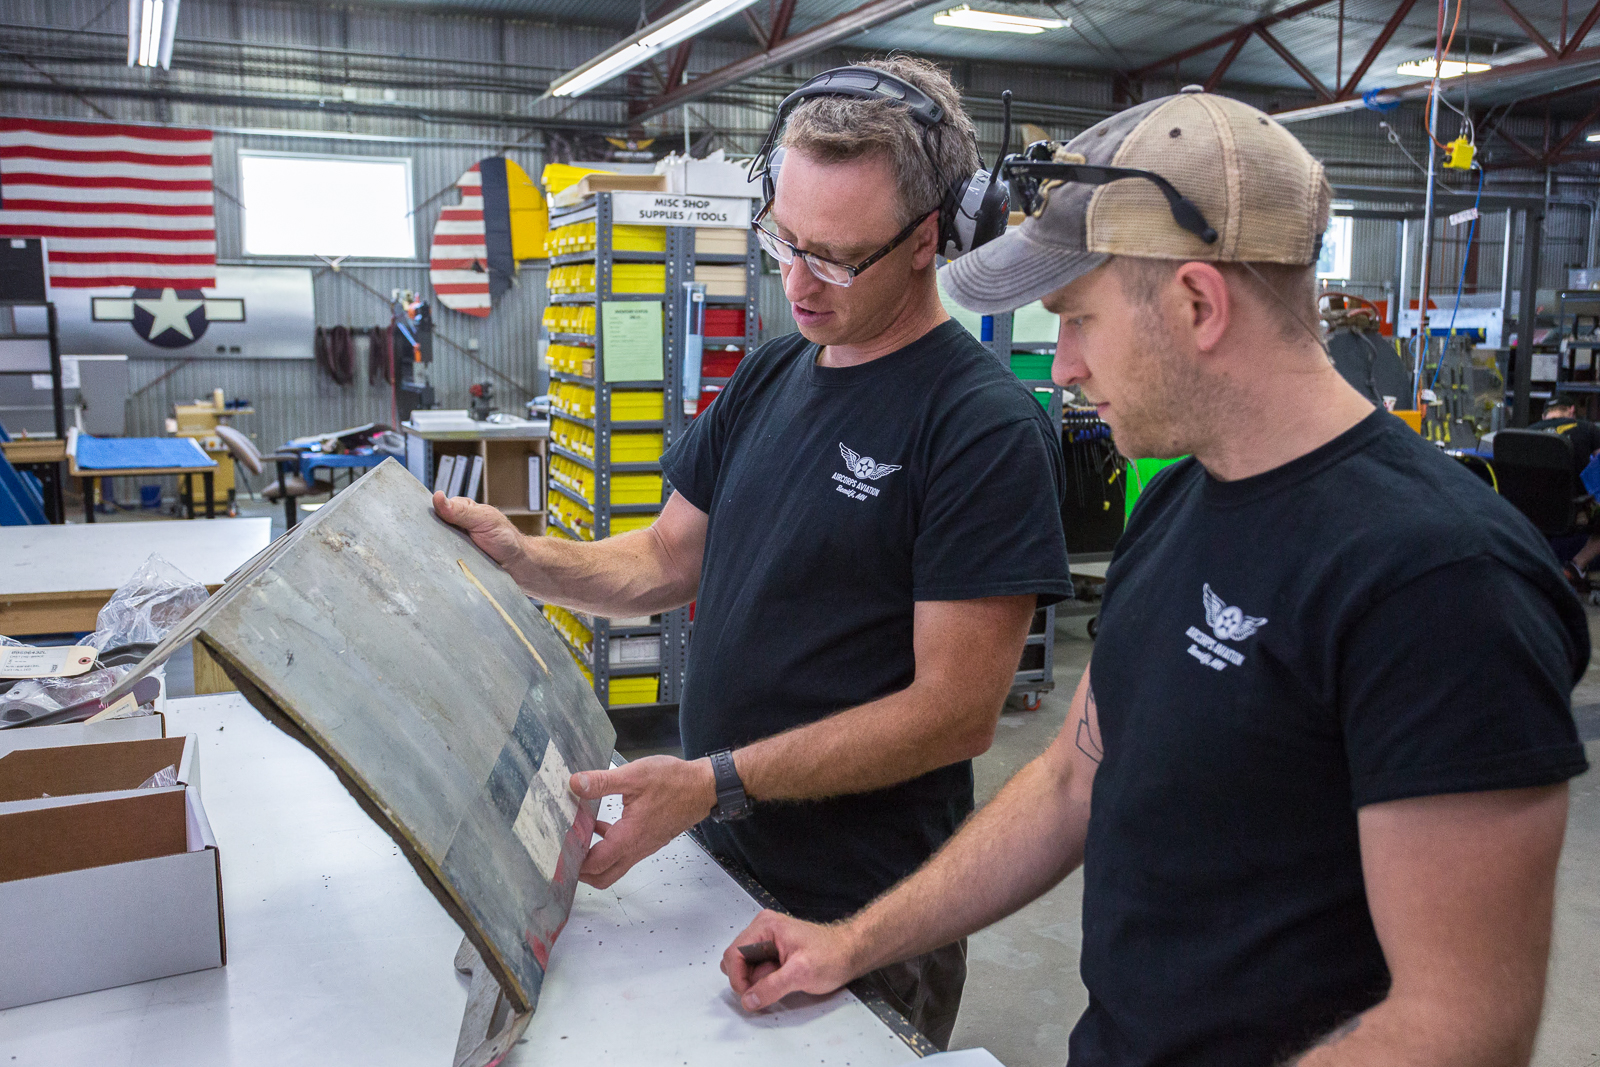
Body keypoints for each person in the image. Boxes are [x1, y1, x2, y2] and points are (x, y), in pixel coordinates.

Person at [721, 87, 1590, 1066]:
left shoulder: (1439, 580)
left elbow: (1458, 1027)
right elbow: (1064, 784)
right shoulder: (1183, 501)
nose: (1066, 368)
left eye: (1080, 319)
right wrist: (852, 939)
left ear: (1195, 302)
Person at [435, 55, 1072, 1048]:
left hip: (861, 912)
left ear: (931, 238)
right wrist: (525, 557)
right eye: (782, 236)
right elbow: (661, 557)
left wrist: (711, 778)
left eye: (837, 256)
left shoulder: (978, 425)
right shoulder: (775, 372)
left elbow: (954, 713)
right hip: (719, 858)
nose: (796, 278)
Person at [1528, 394, 1600, 588]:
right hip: (1575, 510)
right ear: (1571, 411)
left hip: (1530, 512)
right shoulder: (1587, 429)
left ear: (1544, 416)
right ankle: (1576, 566)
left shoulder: (1525, 433)